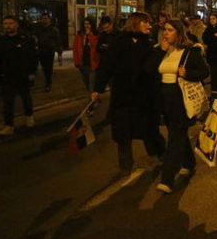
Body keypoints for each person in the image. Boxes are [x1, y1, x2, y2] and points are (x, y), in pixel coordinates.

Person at [92, 12, 166, 175]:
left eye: (149, 22)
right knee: (123, 133)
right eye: (145, 22)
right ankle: (125, 166)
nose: (149, 25)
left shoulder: (149, 43)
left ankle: (161, 156)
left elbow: (151, 70)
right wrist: (98, 88)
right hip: (124, 97)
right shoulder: (120, 42)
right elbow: (106, 66)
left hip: (144, 97)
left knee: (150, 130)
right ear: (135, 23)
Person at [146, 18, 209, 193]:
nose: (166, 33)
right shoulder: (160, 50)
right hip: (164, 98)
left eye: (171, 30)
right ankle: (189, 162)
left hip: (181, 99)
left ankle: (167, 178)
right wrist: (161, 51)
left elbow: (204, 71)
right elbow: (149, 70)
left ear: (179, 32)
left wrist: (188, 73)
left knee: (175, 136)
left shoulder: (190, 51)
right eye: (165, 29)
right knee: (176, 132)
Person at [0, 16, 37, 135]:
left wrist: (32, 72)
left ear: (16, 25)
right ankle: (9, 125)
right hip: (7, 76)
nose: (8, 26)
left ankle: (29, 117)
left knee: (26, 98)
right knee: (8, 101)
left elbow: (32, 57)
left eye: (11, 23)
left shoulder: (25, 40)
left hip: (23, 75)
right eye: (6, 23)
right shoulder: (1, 41)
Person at [33, 13, 62, 92]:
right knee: (41, 67)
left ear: (49, 19)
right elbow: (34, 36)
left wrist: (59, 54)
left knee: (48, 69)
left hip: (49, 51)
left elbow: (58, 42)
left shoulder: (54, 30)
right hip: (40, 50)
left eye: (46, 18)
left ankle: (48, 84)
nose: (44, 20)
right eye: (43, 18)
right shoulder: (39, 29)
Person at [73, 17, 99, 94]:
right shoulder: (79, 36)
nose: (86, 26)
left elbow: (95, 46)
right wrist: (76, 62)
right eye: (85, 24)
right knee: (87, 83)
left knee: (91, 85)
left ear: (92, 25)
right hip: (83, 64)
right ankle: (95, 98)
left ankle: (92, 103)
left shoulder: (96, 35)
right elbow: (75, 50)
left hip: (93, 64)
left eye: (88, 24)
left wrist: (89, 35)